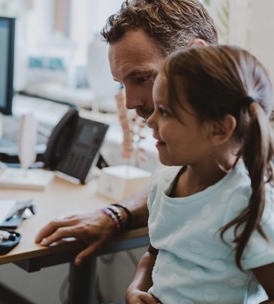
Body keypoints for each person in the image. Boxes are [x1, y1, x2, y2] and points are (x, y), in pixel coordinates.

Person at [35, 0, 218, 265]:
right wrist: (116, 214)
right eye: (121, 84)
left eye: (142, 78)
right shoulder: (193, 142)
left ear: (197, 58)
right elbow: (171, 182)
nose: (130, 103)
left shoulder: (259, 150)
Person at [126, 45, 274, 303]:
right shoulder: (162, 184)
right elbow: (154, 254)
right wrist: (136, 289)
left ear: (219, 129)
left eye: (165, 111)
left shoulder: (246, 203)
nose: (150, 120)